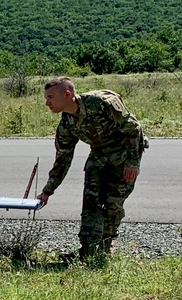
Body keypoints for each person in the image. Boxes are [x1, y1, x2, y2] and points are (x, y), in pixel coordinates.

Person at [38, 76, 148, 260]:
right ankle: (87, 251)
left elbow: (133, 129)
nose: (47, 103)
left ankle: (105, 248)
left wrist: (132, 163)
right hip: (99, 154)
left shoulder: (102, 103)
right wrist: (48, 190)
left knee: (112, 203)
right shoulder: (66, 124)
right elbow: (63, 158)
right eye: (46, 98)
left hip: (124, 152)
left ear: (67, 94)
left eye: (50, 97)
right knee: (91, 201)